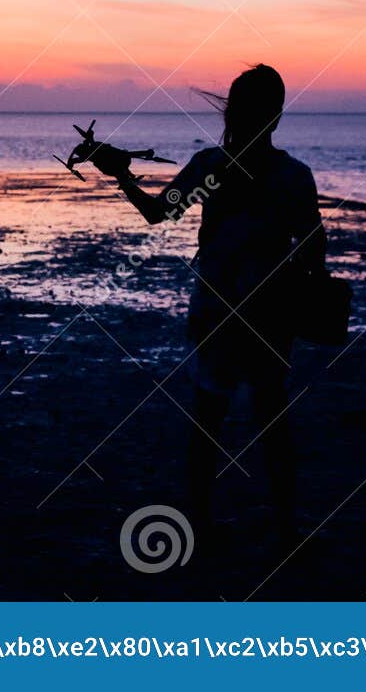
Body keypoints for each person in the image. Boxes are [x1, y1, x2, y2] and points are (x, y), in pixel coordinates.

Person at [90, 64, 325, 544]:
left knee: (208, 421)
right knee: (272, 419)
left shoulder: (209, 167)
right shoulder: (293, 176)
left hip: (216, 311)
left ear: (231, 113)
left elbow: (158, 213)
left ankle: (199, 524)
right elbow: (315, 249)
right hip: (269, 314)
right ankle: (285, 527)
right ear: (277, 117)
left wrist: (123, 176)